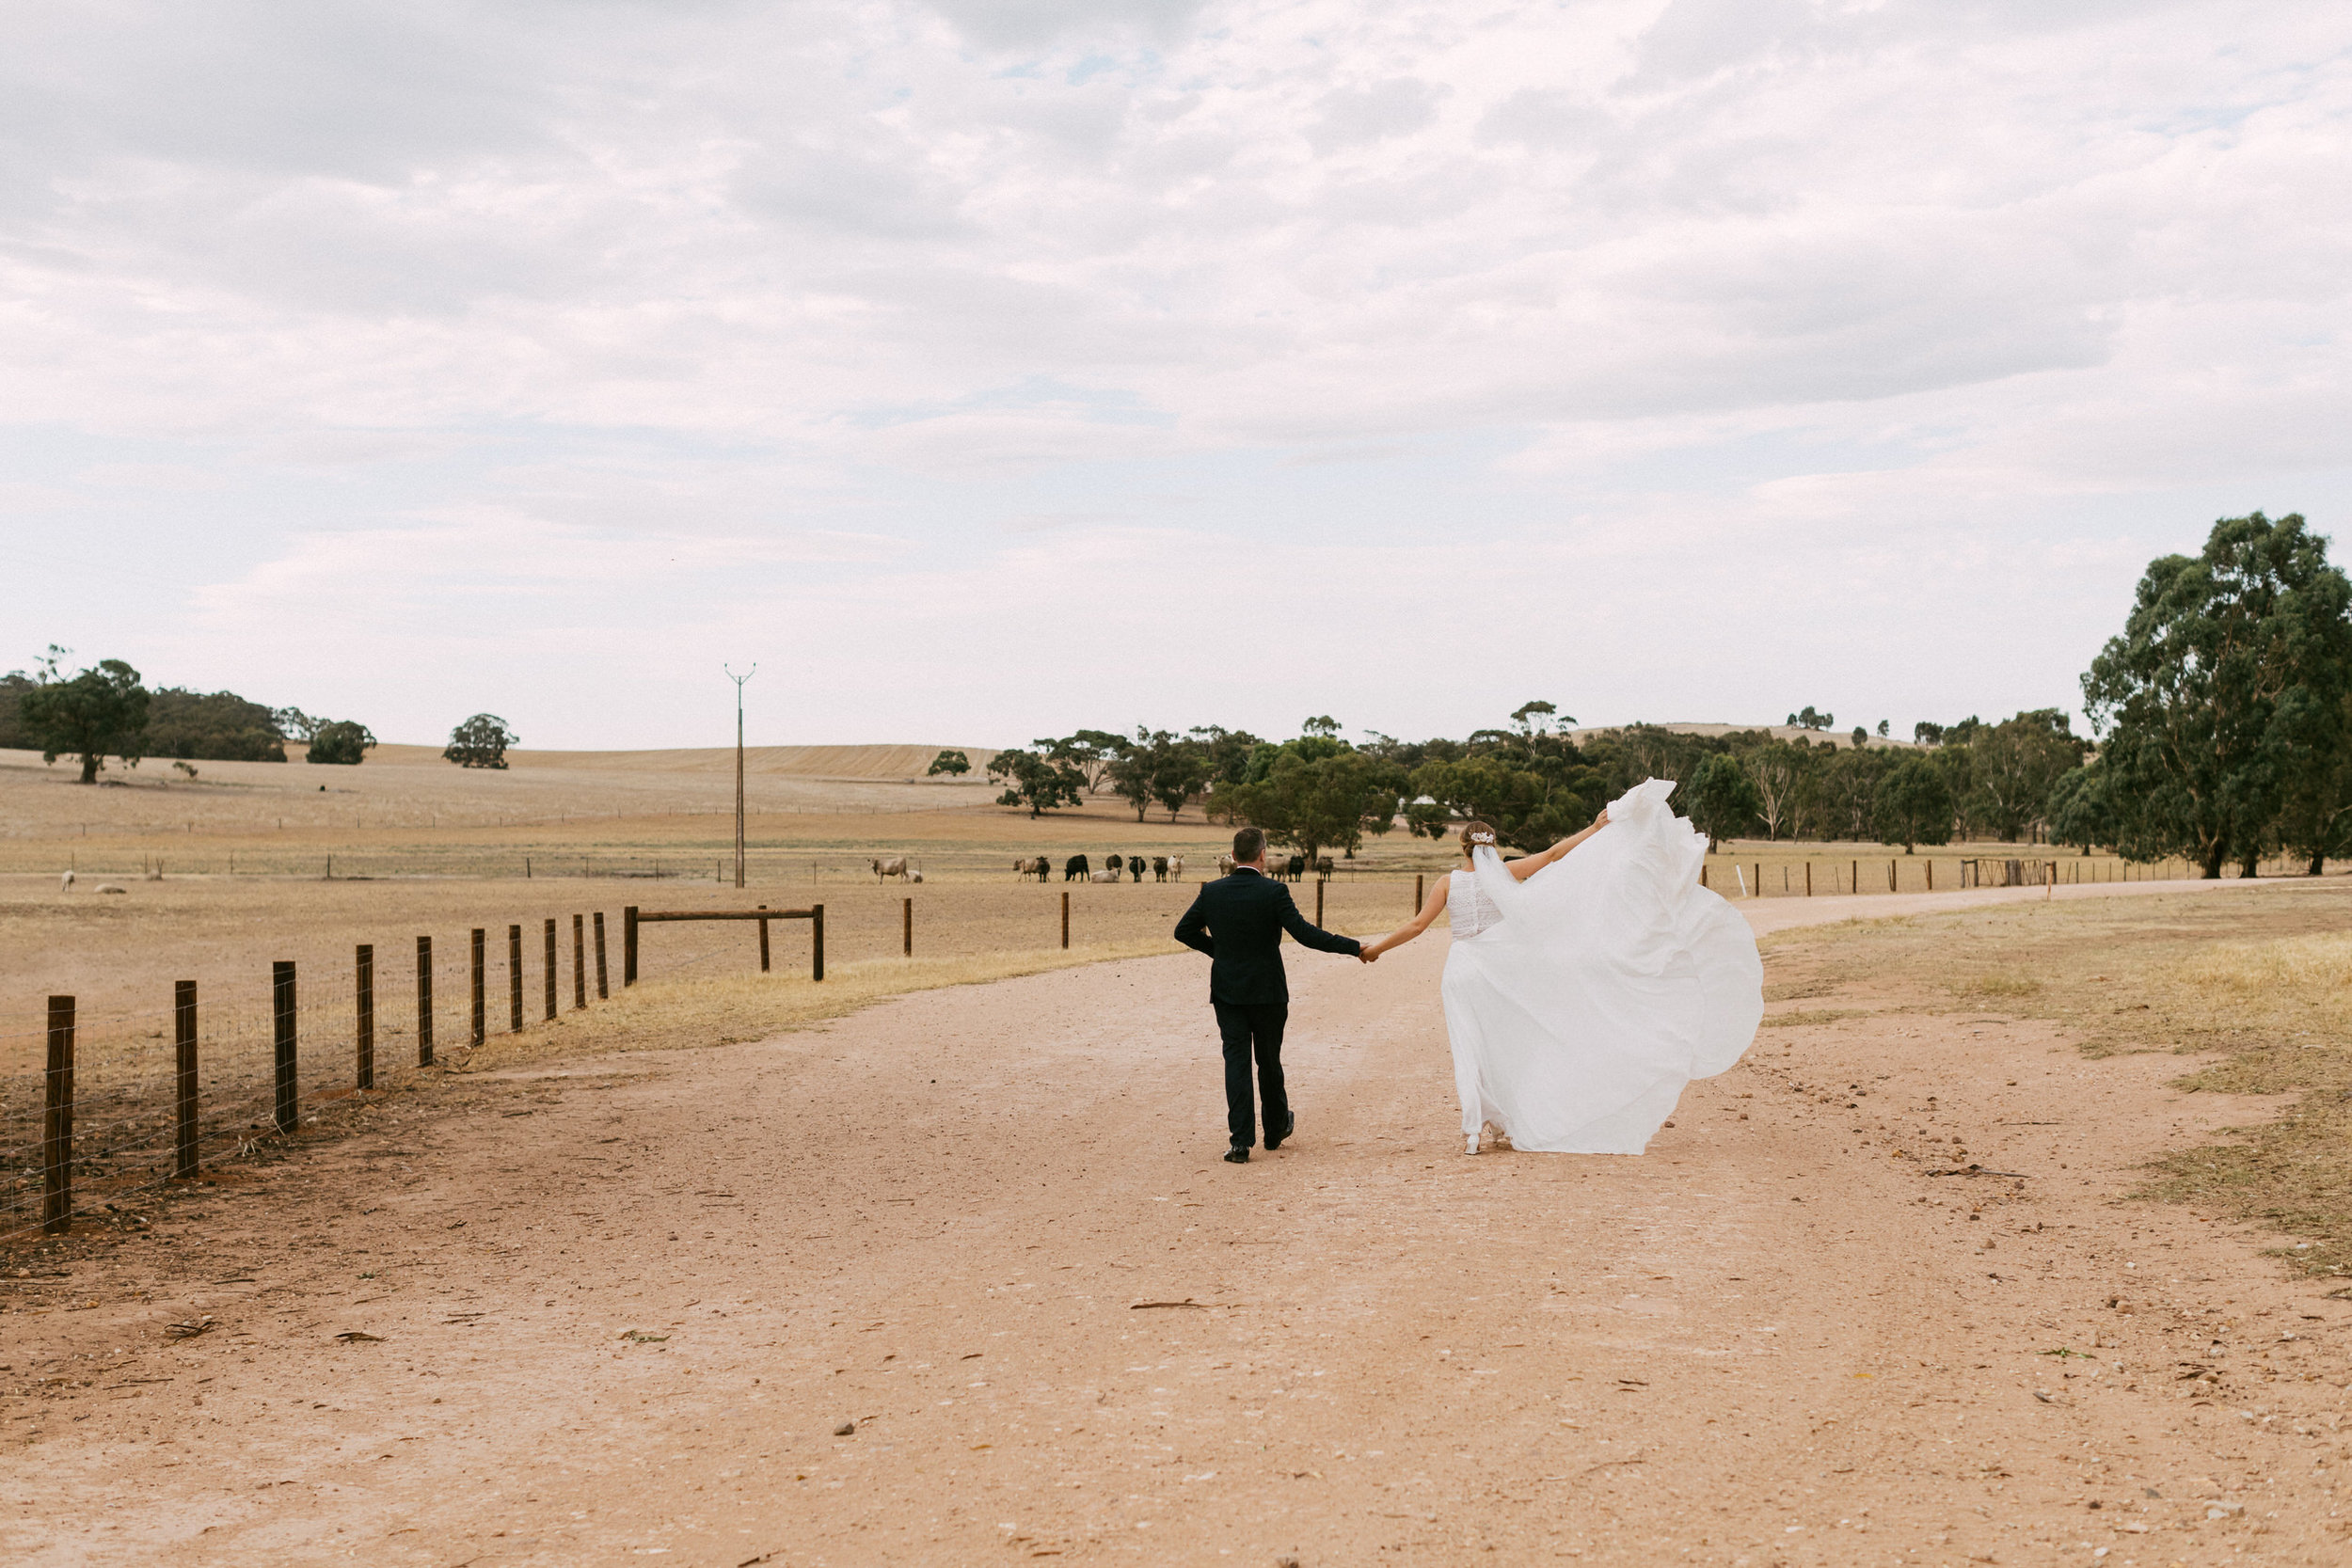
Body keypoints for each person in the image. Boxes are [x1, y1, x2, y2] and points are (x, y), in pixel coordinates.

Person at [1357, 778, 1762, 1155]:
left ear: (1461, 847)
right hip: (1499, 973)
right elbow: (1552, 856)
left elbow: (1417, 925)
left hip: (1461, 971)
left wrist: (1377, 948)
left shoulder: (1447, 883)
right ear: (1491, 846)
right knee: (1504, 1045)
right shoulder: (1506, 872)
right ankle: (1502, 1119)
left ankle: (1475, 1129)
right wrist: (1595, 829)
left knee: (1470, 1046)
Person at [1174, 826, 1372, 1164]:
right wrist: (1354, 948)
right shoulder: (1274, 891)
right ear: (1263, 855)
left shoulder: (1212, 892)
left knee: (1235, 1063)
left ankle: (1240, 1142)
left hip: (1227, 991)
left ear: (1233, 856)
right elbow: (1306, 934)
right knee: (1268, 1060)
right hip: (1268, 991)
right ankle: (1276, 1128)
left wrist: (1219, 952)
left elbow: (1183, 931)